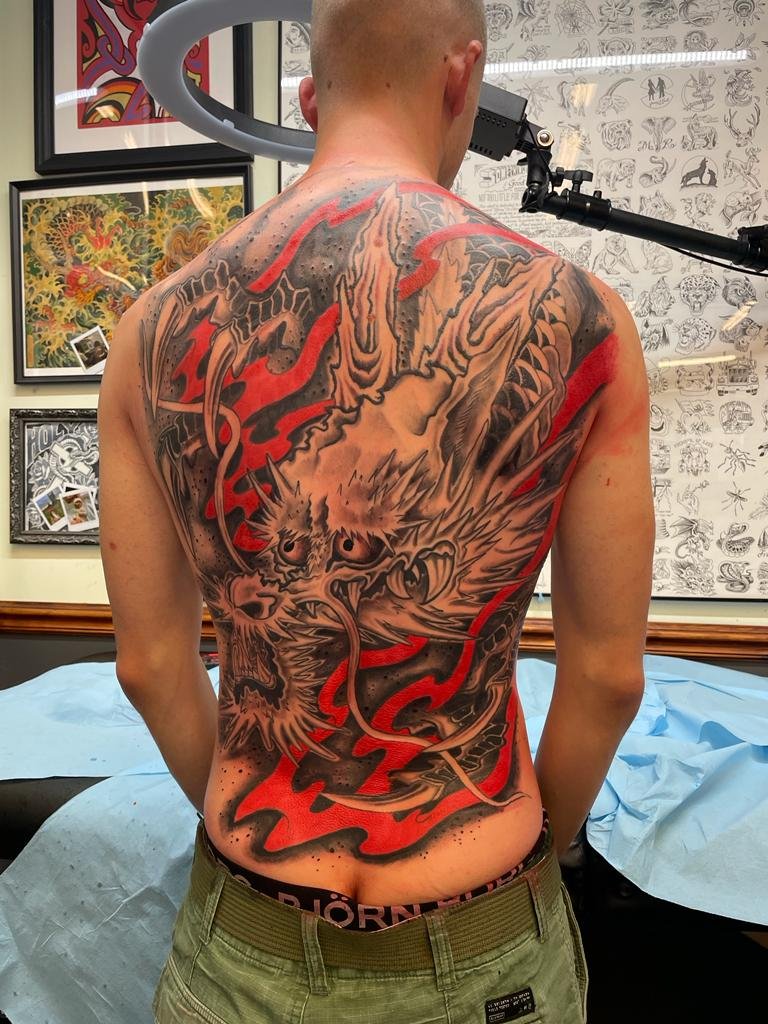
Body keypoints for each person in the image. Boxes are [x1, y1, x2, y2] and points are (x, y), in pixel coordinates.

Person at [98, 1, 654, 1021]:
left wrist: (252, 834)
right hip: (484, 939)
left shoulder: (151, 331)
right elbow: (609, 678)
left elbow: (150, 667)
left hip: (244, 936)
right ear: (462, 77)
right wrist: (526, 875)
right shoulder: (582, 315)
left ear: (311, 99)